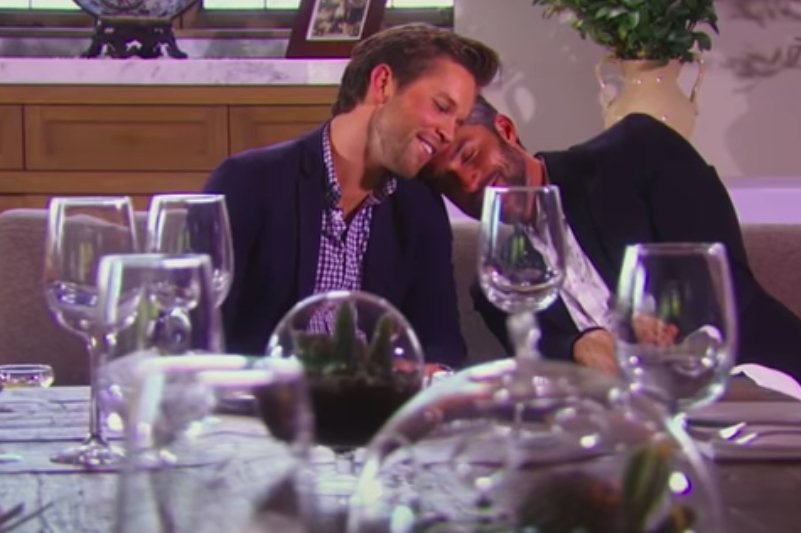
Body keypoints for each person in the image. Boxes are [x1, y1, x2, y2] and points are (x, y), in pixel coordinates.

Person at [421, 95, 801, 380]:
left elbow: (724, 282)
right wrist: (577, 345)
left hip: (762, 379)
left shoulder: (635, 152)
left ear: (505, 129)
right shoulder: (497, 282)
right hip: (630, 435)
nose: (468, 182)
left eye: (469, 155)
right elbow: (541, 365)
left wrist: (660, 321)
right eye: (448, 183)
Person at [203, 24, 500, 368]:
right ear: (383, 84)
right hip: (269, 396)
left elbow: (443, 346)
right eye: (441, 107)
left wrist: (418, 371)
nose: (448, 133)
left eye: (458, 122)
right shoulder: (248, 183)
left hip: (375, 397)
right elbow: (200, 335)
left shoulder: (420, 205)